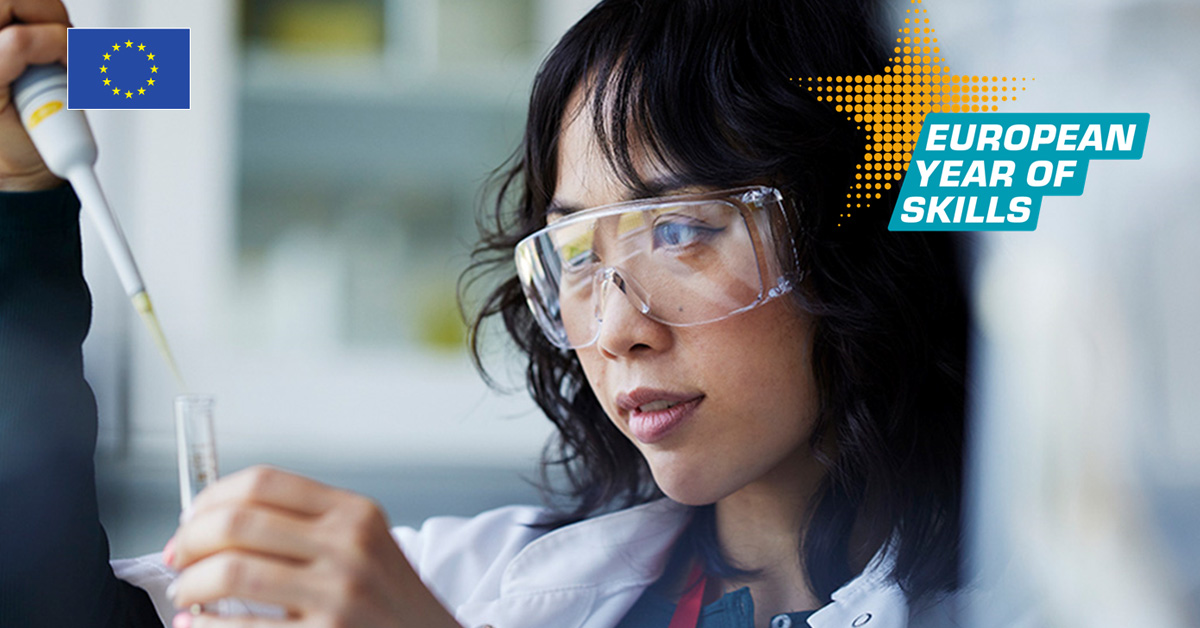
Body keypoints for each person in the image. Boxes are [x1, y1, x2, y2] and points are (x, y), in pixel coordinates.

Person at [0, 0, 968, 626]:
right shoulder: (492, 579)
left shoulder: (1038, 589)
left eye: (679, 231)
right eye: (578, 250)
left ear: (855, 237)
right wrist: (21, 199)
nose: (616, 327)